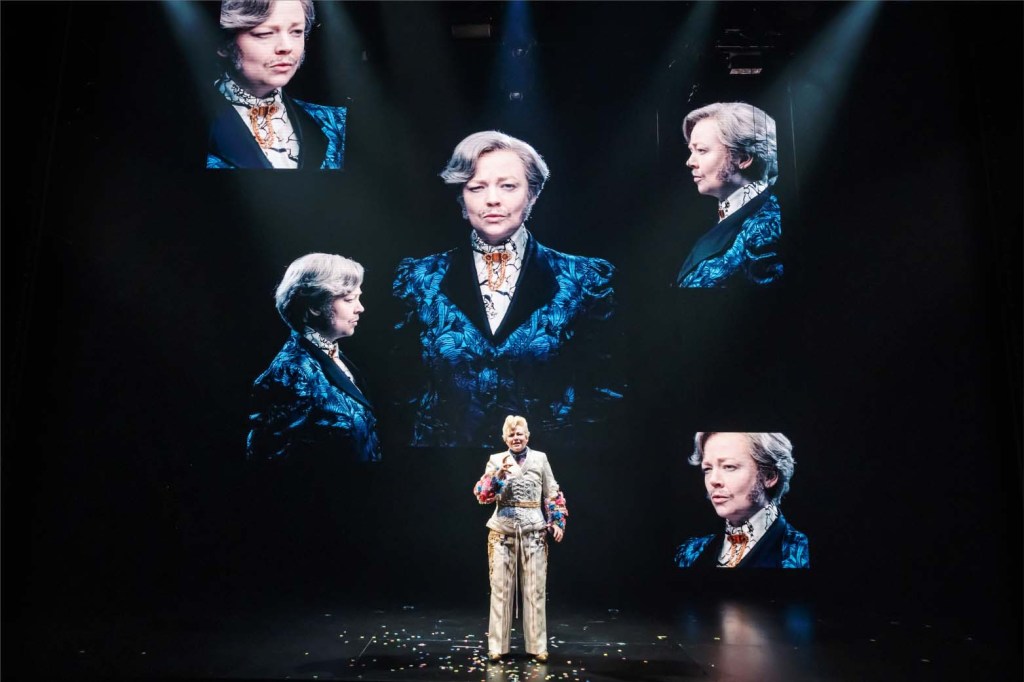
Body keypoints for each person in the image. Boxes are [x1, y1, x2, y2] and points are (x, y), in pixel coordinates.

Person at [392, 130, 622, 447]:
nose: (492, 199)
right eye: (477, 187)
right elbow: (400, 384)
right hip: (444, 461)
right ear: (462, 198)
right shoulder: (420, 278)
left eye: (508, 186)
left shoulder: (584, 279)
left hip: (550, 461)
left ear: (533, 194)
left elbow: (603, 389)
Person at [247, 253, 381, 463]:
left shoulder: (332, 355)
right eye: (349, 299)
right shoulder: (291, 371)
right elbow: (271, 460)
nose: (360, 308)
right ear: (314, 306)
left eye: (358, 297)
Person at [207, 0, 347, 169]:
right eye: (265, 33)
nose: (287, 47)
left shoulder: (335, 122)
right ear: (223, 44)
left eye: (296, 32)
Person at [474, 416, 567, 663]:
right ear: (505, 438)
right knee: (501, 590)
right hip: (502, 532)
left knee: (535, 590)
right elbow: (482, 495)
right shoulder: (496, 460)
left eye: (520, 434)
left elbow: (552, 492)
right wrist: (498, 475)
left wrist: (557, 522)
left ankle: (537, 647)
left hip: (534, 531)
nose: (516, 438)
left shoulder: (540, 458)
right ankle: (497, 646)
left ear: (527, 436)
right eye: (511, 435)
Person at [675, 102, 782, 287]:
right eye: (692, 151)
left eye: (701, 150)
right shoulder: (721, 215)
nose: (690, 162)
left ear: (743, 158)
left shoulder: (766, 226)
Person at [675, 432, 808, 568]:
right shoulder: (690, 553)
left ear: (769, 476)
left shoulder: (802, 553)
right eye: (707, 469)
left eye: (729, 466)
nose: (713, 480)